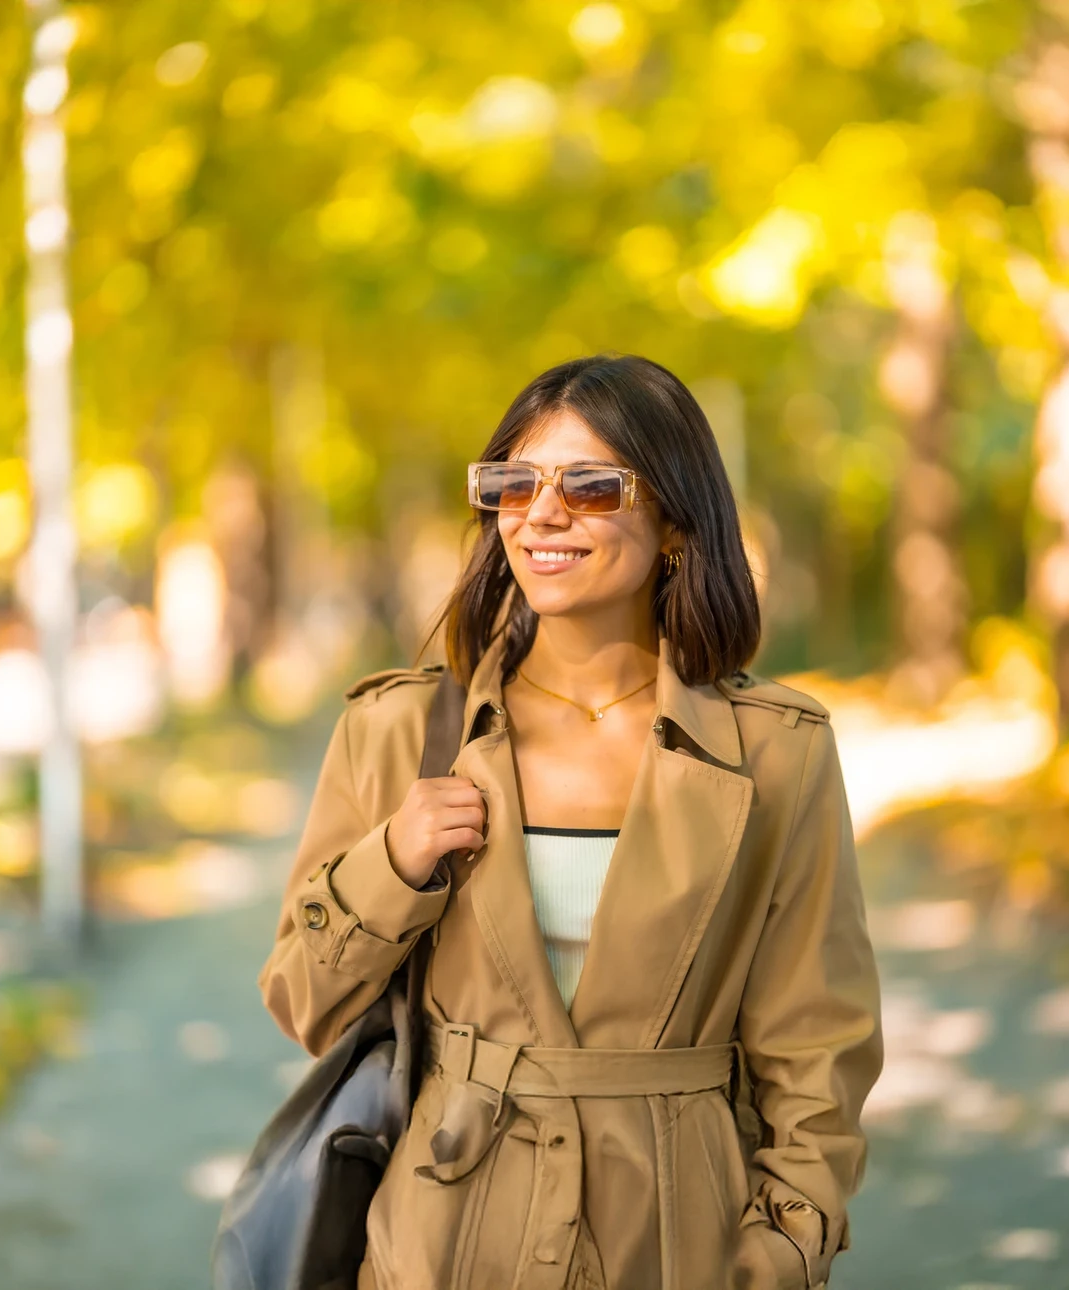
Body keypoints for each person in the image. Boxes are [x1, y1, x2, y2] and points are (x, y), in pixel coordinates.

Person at [257, 354, 882, 1289]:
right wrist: (395, 862)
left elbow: (817, 1045)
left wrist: (785, 1247)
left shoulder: (776, 756)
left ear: (675, 520)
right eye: (515, 482)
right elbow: (300, 1000)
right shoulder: (399, 733)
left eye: (590, 484)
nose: (541, 513)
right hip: (444, 1241)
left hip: (680, 1245)